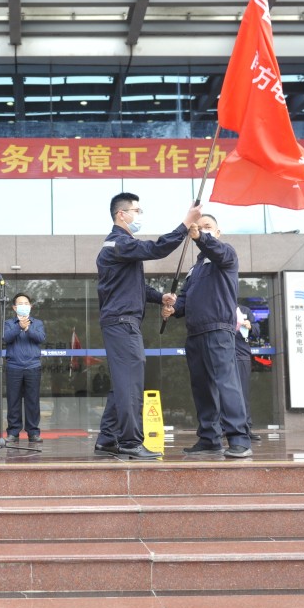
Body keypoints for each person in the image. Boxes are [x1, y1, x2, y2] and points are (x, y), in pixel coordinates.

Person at [95, 192, 202, 459]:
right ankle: (130, 443)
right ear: (122, 214)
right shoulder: (118, 244)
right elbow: (156, 249)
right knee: (130, 384)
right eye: (137, 211)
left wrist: (159, 297)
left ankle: (108, 438)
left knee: (122, 383)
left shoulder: (119, 248)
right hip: (122, 324)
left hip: (121, 322)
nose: (139, 216)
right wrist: (184, 224)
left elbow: (135, 287)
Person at [162, 214, 252, 458]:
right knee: (202, 388)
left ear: (218, 232)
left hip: (218, 329)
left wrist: (201, 237)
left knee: (226, 383)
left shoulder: (225, 254)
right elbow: (186, 299)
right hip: (195, 333)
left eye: (208, 227)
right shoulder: (195, 269)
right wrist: (173, 306)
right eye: (199, 227)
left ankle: (239, 438)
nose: (203, 230)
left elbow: (215, 249)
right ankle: (209, 439)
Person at [3, 292, 46, 442]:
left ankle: (33, 432)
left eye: (26, 303)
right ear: (14, 308)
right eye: (20, 304)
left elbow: (40, 338)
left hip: (33, 366)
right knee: (13, 401)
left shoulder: (37, 323)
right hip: (14, 367)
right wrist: (19, 327)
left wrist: (27, 328)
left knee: (32, 400)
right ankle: (13, 432)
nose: (23, 306)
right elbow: (6, 338)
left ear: (31, 306)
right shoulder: (9, 323)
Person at [235, 305, 262, 442]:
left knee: (242, 393)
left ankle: (246, 428)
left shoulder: (245, 311)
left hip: (242, 356)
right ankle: (221, 428)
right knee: (218, 392)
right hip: (221, 355)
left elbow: (257, 330)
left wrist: (250, 326)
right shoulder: (218, 308)